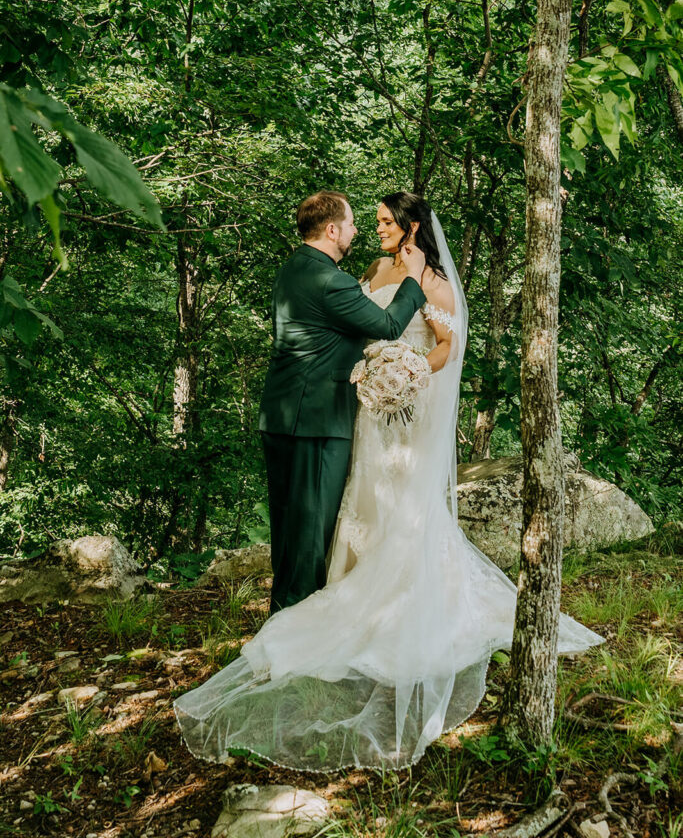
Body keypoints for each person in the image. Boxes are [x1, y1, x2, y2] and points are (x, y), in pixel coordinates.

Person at [174, 191, 604, 772]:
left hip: (401, 412)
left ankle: (381, 605)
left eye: (383, 221)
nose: (373, 229)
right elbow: (365, 325)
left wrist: (404, 373)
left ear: (412, 225)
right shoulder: (368, 272)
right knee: (357, 505)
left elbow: (447, 348)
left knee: (397, 508)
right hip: (364, 413)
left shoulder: (434, 281)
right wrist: (380, 368)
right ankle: (329, 598)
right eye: (366, 221)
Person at [257, 190, 427, 613]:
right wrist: (414, 279)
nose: (357, 231)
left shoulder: (295, 267)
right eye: (351, 223)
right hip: (314, 419)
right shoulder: (329, 279)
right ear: (332, 230)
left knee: (289, 531)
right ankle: (295, 634)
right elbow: (388, 324)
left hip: (283, 416)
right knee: (311, 534)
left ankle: (282, 620)